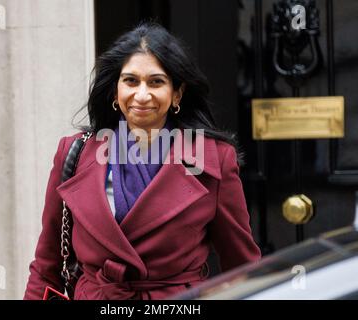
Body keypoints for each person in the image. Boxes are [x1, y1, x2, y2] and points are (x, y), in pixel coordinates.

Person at [24, 22, 261, 300]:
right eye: (131, 81)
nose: (142, 94)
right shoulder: (74, 153)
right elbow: (46, 264)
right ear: (115, 90)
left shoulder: (214, 159)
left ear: (177, 94)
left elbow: (241, 267)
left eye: (156, 82)